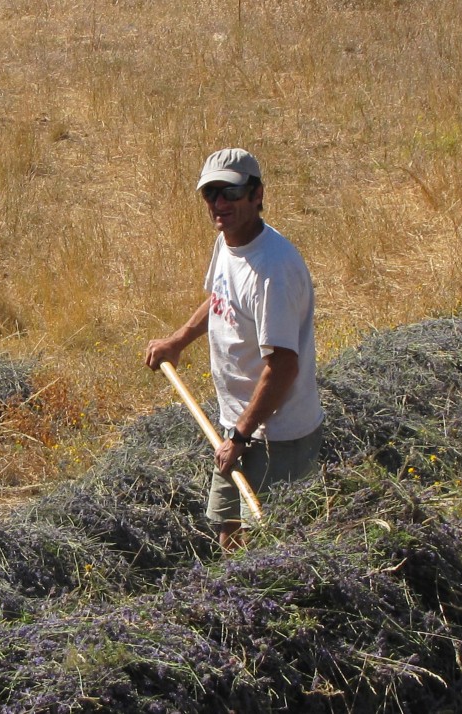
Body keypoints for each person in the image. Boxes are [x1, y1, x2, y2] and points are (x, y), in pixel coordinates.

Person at [145, 148, 325, 552]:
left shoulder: (273, 272)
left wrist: (241, 437)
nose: (219, 204)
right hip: (237, 427)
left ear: (257, 194)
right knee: (230, 536)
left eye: (230, 191)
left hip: (277, 437)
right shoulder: (228, 242)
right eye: (210, 194)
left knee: (270, 552)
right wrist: (177, 341)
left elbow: (282, 369)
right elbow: (219, 299)